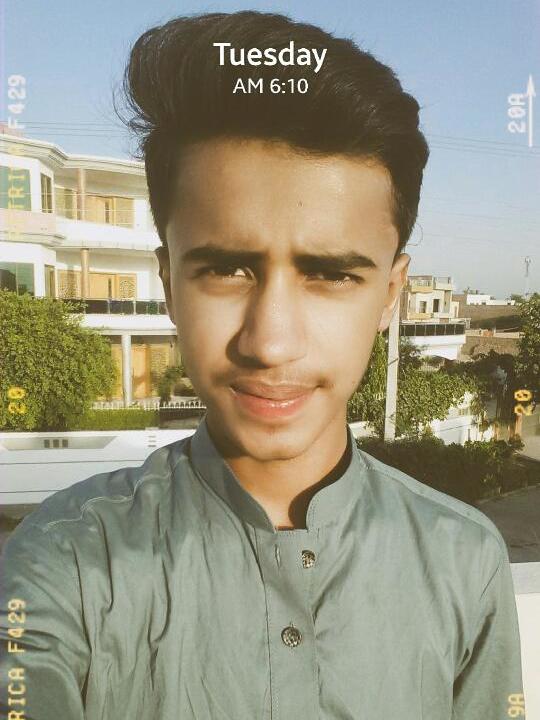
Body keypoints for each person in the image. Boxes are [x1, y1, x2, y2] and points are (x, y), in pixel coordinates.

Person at [0, 10, 526, 720]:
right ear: (169, 283)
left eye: (331, 275)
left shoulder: (465, 560)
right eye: (225, 269)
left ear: (390, 294)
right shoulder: (64, 562)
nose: (271, 343)